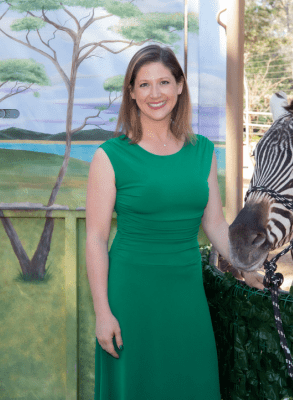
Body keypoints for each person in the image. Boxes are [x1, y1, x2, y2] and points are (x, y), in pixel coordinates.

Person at [85, 44, 264, 400]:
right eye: (144, 84)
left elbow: (214, 223)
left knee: (190, 385)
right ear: (132, 93)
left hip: (186, 298)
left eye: (164, 82)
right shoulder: (109, 156)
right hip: (130, 297)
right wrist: (102, 312)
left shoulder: (202, 151)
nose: (155, 93)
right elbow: (95, 238)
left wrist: (244, 265)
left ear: (180, 86)